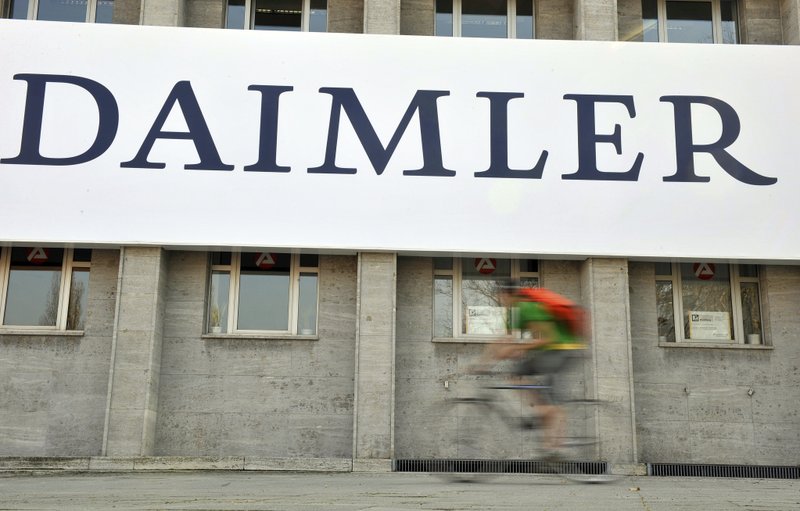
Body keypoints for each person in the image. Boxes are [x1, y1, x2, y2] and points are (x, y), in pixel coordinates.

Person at [484, 279, 587, 456]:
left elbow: (548, 338)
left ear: (508, 294)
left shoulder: (527, 307)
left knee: (547, 400)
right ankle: (545, 423)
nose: (500, 300)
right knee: (517, 374)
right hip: (551, 351)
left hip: (563, 350)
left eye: (500, 296)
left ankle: (553, 441)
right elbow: (504, 339)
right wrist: (482, 363)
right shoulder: (514, 313)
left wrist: (517, 348)